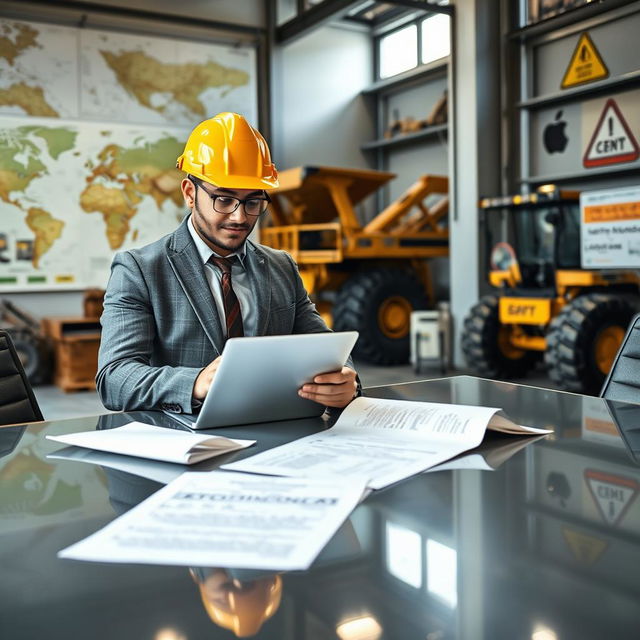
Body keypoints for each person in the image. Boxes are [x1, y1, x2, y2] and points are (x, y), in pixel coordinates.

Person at [96, 112, 358, 414]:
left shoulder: (281, 267)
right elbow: (114, 379)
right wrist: (195, 382)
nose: (239, 217)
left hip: (276, 431)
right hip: (184, 443)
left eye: (252, 202)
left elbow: (325, 348)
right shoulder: (139, 270)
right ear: (190, 193)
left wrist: (345, 380)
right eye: (224, 199)